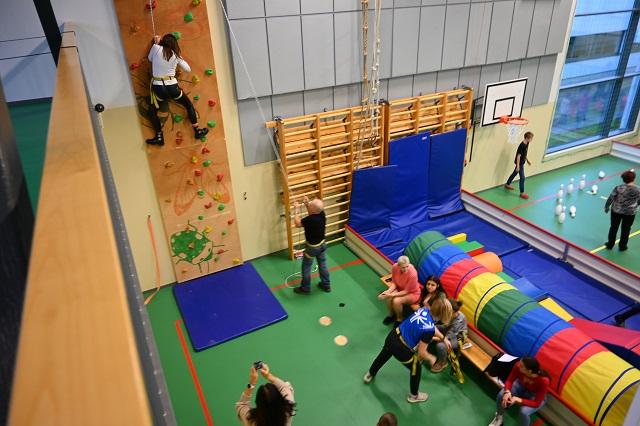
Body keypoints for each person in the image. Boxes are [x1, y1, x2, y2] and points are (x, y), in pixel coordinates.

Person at [363, 298, 453, 403]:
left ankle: (370, 373)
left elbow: (431, 326)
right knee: (416, 368)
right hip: (402, 349)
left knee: (384, 354)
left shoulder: (424, 310)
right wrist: (431, 358)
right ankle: (414, 396)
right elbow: (422, 353)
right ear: (443, 315)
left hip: (393, 336)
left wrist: (443, 338)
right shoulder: (429, 330)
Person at [145, 34, 209, 146]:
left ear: (163, 41)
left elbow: (150, 58)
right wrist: (179, 58)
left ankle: (159, 137)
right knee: (188, 105)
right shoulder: (175, 55)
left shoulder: (155, 48)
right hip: (172, 87)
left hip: (159, 88)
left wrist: (156, 43)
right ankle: (197, 130)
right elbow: (188, 69)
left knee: (152, 111)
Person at [488, 357, 550, 426]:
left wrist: (517, 399)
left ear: (529, 371)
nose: (518, 365)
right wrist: (507, 392)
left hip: (534, 395)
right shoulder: (518, 365)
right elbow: (509, 380)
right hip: (520, 385)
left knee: (524, 412)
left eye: (521, 366)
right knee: (501, 395)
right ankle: (499, 417)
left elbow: (536, 403)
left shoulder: (544, 381)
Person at [292, 196, 330, 294]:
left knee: (306, 267)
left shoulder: (309, 220)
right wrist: (307, 204)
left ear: (313, 209)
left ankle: (305, 288)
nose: (310, 204)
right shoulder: (321, 214)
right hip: (322, 244)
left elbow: (297, 224)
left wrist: (296, 210)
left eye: (311, 204)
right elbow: (312, 212)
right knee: (323, 264)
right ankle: (326, 285)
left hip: (312, 248)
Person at [379, 256, 421, 326]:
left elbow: (406, 291)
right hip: (400, 288)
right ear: (398, 266)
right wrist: (388, 292)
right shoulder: (395, 267)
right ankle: (391, 315)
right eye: (403, 267)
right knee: (389, 298)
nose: (406, 269)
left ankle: (399, 319)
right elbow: (394, 282)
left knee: (396, 301)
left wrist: (392, 294)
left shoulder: (413, 274)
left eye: (407, 266)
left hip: (412, 293)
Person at [428, 299, 467, 373]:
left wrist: (432, 337)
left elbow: (446, 338)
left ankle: (443, 362)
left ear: (454, 312)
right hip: (448, 329)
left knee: (441, 346)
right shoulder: (451, 315)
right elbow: (445, 326)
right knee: (432, 328)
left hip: (457, 338)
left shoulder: (459, 320)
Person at [604, 170, 639, 251]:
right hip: (630, 212)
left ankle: (610, 244)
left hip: (616, 211)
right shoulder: (638, 189)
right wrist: (635, 206)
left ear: (623, 179)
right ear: (634, 179)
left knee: (613, 228)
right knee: (626, 229)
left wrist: (607, 207)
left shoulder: (618, 188)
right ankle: (622, 246)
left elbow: (611, 198)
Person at [504, 131, 534, 200]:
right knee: (522, 178)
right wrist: (517, 166)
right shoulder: (522, 145)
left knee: (514, 173)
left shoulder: (527, 143)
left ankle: (507, 184)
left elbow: (524, 153)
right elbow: (518, 156)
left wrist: (527, 160)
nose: (531, 140)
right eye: (531, 138)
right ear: (527, 138)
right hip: (519, 163)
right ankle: (522, 193)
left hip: (522, 162)